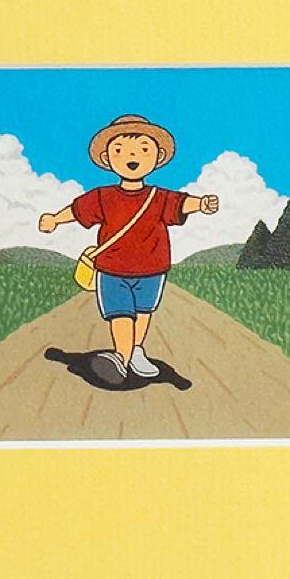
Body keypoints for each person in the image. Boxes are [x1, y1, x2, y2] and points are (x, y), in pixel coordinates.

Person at [38, 114, 219, 386]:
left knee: (143, 313)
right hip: (112, 269)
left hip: (152, 268)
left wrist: (201, 203)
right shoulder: (103, 197)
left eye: (143, 149)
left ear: (157, 157)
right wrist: (54, 219)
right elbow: (78, 210)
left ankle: (135, 352)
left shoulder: (158, 197)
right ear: (108, 158)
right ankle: (121, 359)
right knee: (121, 314)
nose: (132, 156)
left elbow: (181, 203)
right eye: (120, 150)